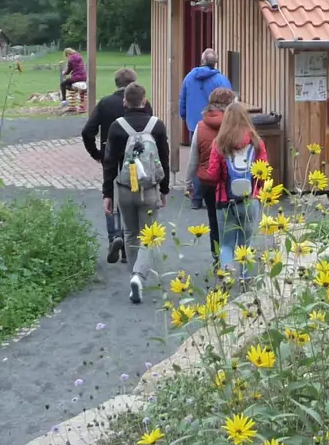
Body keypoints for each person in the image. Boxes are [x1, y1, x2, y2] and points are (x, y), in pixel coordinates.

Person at [102, 83, 170, 305]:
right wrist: (165, 189)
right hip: (149, 189)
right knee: (149, 235)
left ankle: (134, 276)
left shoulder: (116, 127)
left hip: (124, 188)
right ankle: (139, 276)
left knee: (130, 233)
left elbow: (109, 163)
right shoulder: (157, 125)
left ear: (125, 102)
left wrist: (107, 193)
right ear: (145, 100)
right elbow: (164, 160)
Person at [83, 67, 151, 264]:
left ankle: (115, 235)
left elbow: (88, 131)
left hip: (112, 156)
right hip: (139, 159)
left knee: (110, 195)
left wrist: (97, 153)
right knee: (134, 196)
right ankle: (129, 245)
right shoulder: (144, 104)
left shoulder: (105, 103)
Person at [203, 102, 270, 282]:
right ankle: (245, 277)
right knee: (246, 243)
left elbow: (214, 174)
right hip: (250, 199)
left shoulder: (220, 143)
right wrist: (260, 192)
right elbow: (262, 171)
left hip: (225, 201)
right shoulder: (256, 142)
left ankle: (227, 273)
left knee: (226, 243)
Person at [185, 86, 237, 222]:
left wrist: (188, 183)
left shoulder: (201, 125)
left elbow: (193, 159)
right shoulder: (236, 126)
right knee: (233, 224)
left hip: (209, 180)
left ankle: (216, 243)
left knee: (214, 223)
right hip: (232, 180)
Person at [178, 49, 232, 145]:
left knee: (196, 155)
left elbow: (182, 100)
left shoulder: (189, 78)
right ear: (215, 63)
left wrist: (185, 117)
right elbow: (230, 104)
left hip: (194, 125)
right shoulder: (222, 80)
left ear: (202, 61)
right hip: (216, 127)